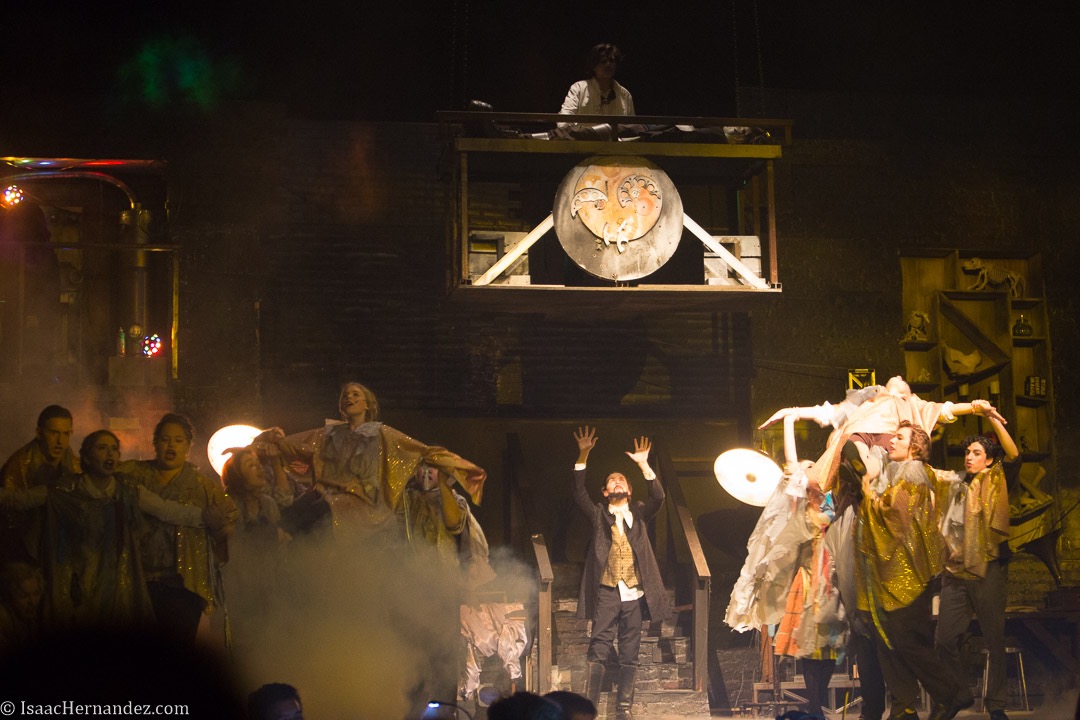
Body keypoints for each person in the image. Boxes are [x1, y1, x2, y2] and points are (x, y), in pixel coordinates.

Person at [3, 430, 208, 629]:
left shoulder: (127, 491)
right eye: (102, 448)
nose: (110, 454)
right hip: (76, 580)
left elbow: (165, 509)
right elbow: (21, 500)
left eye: (114, 449)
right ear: (87, 457)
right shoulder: (65, 490)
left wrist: (204, 517)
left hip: (116, 583)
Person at [858, 421, 969, 720]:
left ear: (915, 447)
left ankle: (952, 693)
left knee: (907, 641)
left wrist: (868, 493)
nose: (892, 441)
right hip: (898, 573)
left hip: (907, 575)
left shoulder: (913, 472)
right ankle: (904, 707)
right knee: (891, 640)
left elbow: (897, 517)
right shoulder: (903, 472)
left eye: (899, 438)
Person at [572, 426, 668, 720]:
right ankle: (588, 709)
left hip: (635, 590)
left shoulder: (639, 512)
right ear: (605, 492)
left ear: (628, 489)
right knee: (599, 646)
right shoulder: (599, 514)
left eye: (621, 480)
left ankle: (623, 709)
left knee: (630, 650)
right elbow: (578, 492)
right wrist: (584, 453)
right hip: (607, 589)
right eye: (611, 481)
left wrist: (642, 464)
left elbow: (659, 497)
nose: (616, 482)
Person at [760, 375, 1003, 490]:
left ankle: (866, 468)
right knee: (853, 443)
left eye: (900, 379)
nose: (896, 376)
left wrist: (973, 407)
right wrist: (790, 412)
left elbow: (946, 409)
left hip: (888, 439)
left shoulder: (912, 403)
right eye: (893, 379)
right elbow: (827, 413)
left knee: (872, 451)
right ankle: (859, 469)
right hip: (861, 437)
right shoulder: (868, 402)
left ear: (906, 391)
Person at [934, 402, 1018, 720]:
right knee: (944, 639)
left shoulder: (996, 477)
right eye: (967, 452)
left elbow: (1013, 454)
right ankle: (958, 694)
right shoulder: (956, 482)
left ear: (989, 459)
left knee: (994, 637)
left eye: (976, 453)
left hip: (988, 566)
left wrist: (993, 419)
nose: (969, 457)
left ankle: (996, 705)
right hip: (955, 571)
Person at [122, 413, 238, 642]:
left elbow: (229, 523)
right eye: (165, 439)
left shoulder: (203, 487)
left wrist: (217, 528)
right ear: (155, 443)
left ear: (187, 445)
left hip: (182, 584)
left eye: (177, 440)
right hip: (137, 580)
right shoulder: (134, 475)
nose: (171, 445)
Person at [0, 404, 79, 563]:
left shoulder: (75, 466)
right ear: (39, 433)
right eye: (54, 433)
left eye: (65, 434)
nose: (60, 441)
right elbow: (9, 517)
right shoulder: (19, 465)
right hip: (24, 551)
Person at [0, 560, 43, 650]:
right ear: (9, 596)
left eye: (36, 593)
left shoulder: (29, 618)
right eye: (23, 596)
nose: (32, 602)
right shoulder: (3, 621)